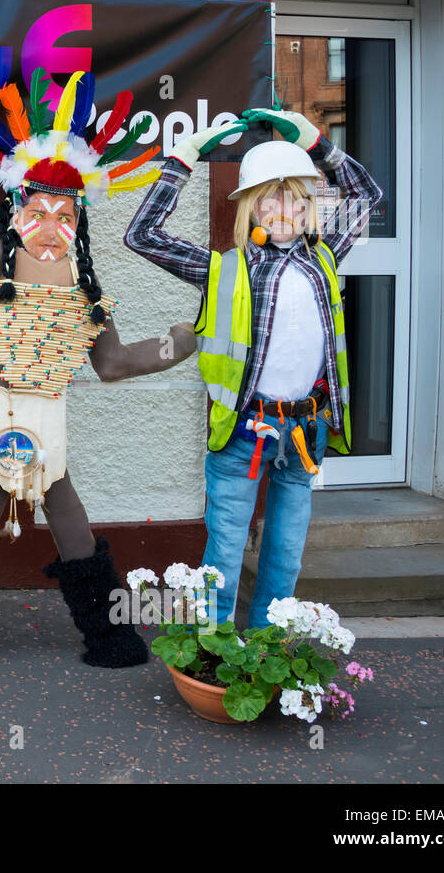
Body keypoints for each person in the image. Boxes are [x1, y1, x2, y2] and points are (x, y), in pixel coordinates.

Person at [0, 72, 198, 672]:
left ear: (80, 220)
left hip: (52, 418)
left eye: (64, 216)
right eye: (38, 212)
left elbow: (112, 362)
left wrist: (184, 340)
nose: (49, 227)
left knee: (74, 529)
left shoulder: (86, 286)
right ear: (16, 210)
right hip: (7, 416)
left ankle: (108, 637)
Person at [124, 107, 383, 628]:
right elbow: (143, 234)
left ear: (309, 205)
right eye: (271, 195)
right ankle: (212, 644)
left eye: (295, 196)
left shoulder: (325, 257)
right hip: (244, 429)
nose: (284, 207)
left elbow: (365, 197)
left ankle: (268, 644)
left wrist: (316, 143)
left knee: (286, 550)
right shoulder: (222, 267)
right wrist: (184, 158)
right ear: (250, 206)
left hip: (305, 430)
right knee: (224, 547)